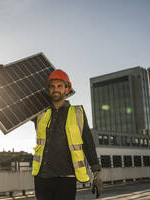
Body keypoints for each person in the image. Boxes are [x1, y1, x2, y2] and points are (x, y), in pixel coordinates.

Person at [32, 69, 103, 200]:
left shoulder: (77, 113)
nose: (56, 89)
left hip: (66, 178)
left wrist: (96, 172)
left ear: (67, 89)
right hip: (42, 177)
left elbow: (88, 143)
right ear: (49, 90)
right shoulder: (41, 113)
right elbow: (16, 103)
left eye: (60, 86)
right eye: (52, 87)